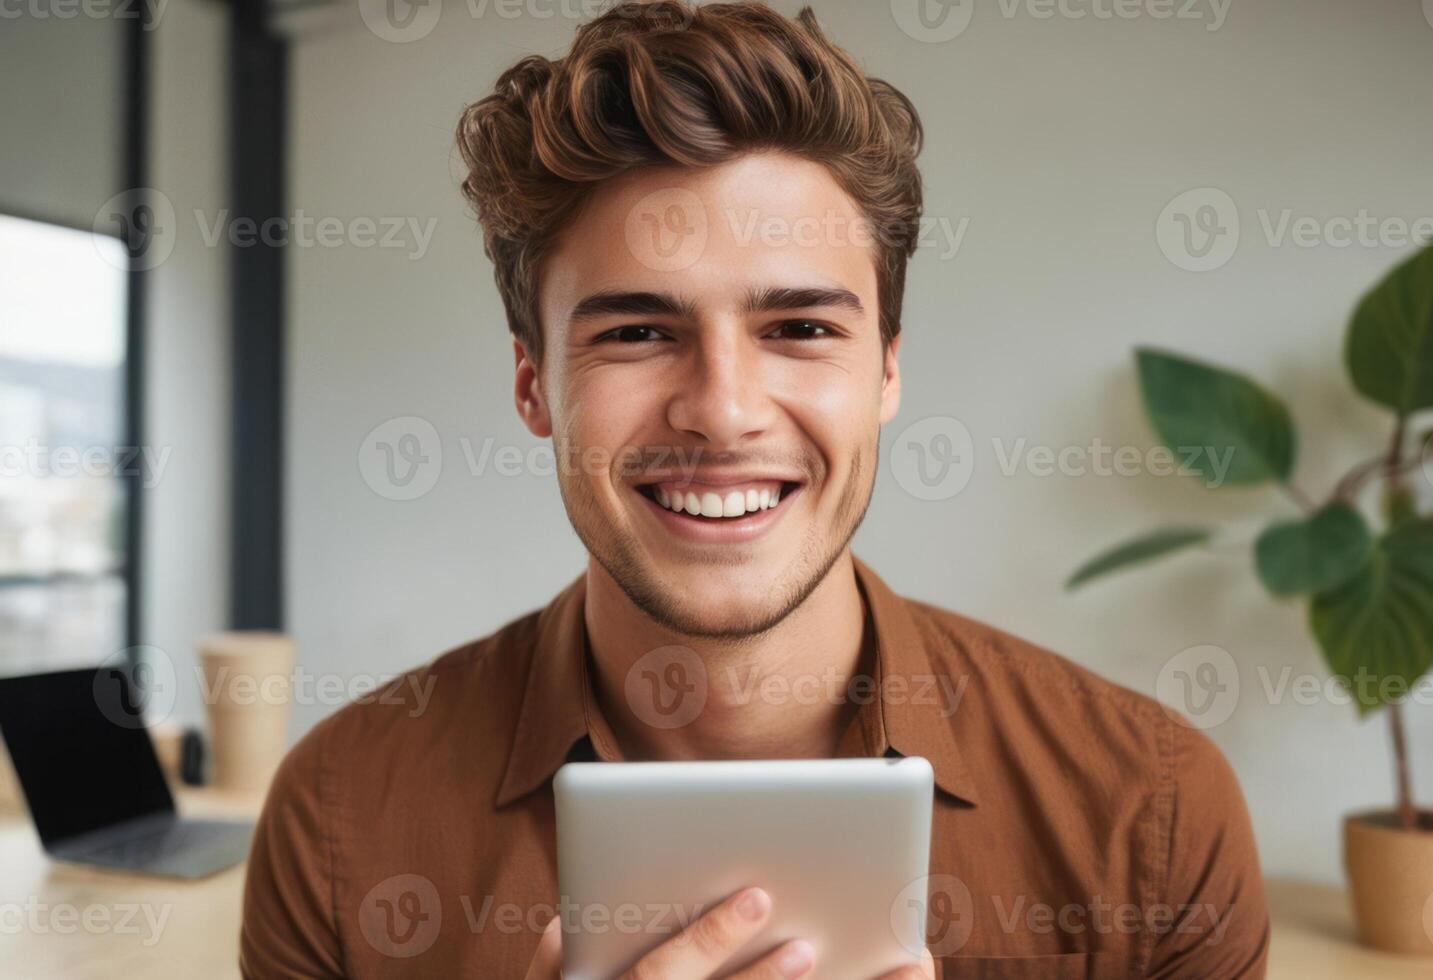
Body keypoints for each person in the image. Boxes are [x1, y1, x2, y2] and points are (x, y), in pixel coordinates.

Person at [240, 3, 1269, 977]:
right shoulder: (338, 823)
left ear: (886, 372)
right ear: (532, 385)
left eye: (799, 328)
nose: (722, 412)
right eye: (636, 331)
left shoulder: (1154, 816)